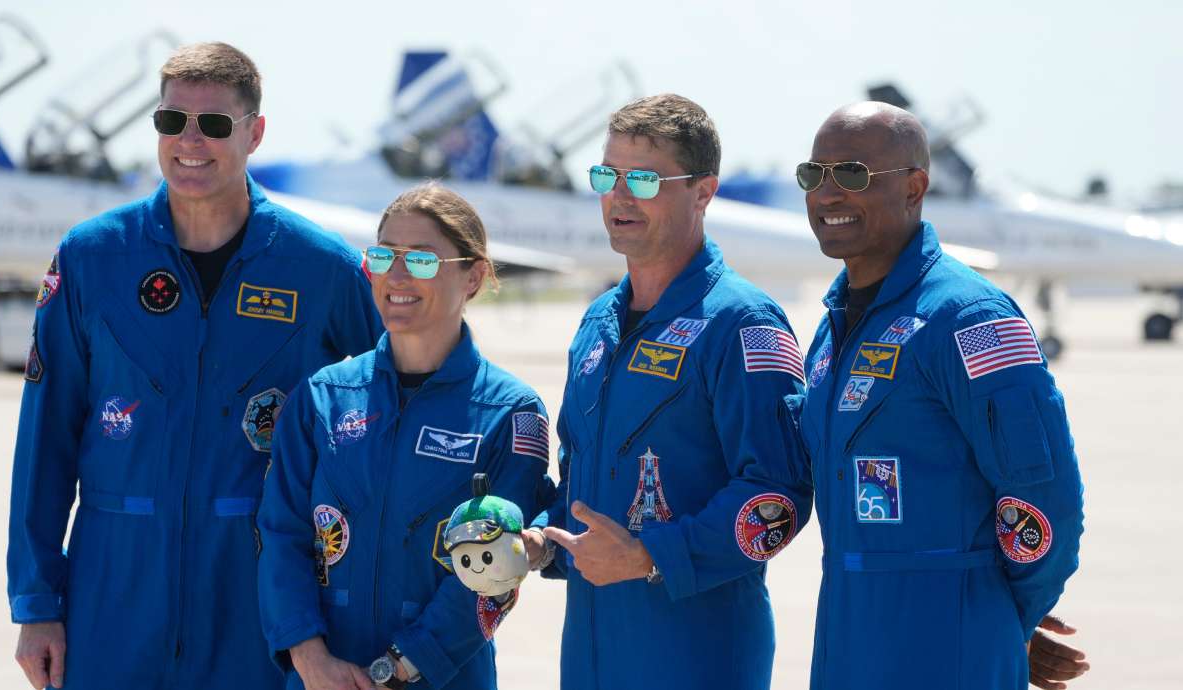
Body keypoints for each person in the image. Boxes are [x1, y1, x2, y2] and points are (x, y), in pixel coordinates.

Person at [7, 43, 383, 690]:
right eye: (170, 122)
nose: (189, 142)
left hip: (260, 597)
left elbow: (387, 412)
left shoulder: (320, 270)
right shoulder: (92, 259)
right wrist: (37, 605)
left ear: (255, 133)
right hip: (112, 596)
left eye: (213, 125)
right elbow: (45, 440)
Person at [794, 101, 1086, 689]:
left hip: (947, 645)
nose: (827, 195)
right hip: (848, 634)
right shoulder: (834, 328)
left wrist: (1003, 618)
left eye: (851, 174)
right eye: (813, 175)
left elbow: (1041, 492)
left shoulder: (968, 317)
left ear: (915, 187)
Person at [528, 94, 814, 689]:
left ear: (704, 192)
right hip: (591, 655)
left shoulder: (743, 323)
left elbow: (778, 496)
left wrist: (649, 557)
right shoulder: (596, 324)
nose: (620, 195)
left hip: (696, 655)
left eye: (644, 178)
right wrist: (541, 538)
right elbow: (583, 477)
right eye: (607, 174)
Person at [257, 185, 555, 690]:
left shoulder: (511, 412)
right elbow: (280, 534)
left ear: (474, 275)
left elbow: (495, 571)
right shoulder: (321, 397)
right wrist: (309, 658)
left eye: (420, 260)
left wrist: (398, 670)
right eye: (383, 256)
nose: (396, 276)